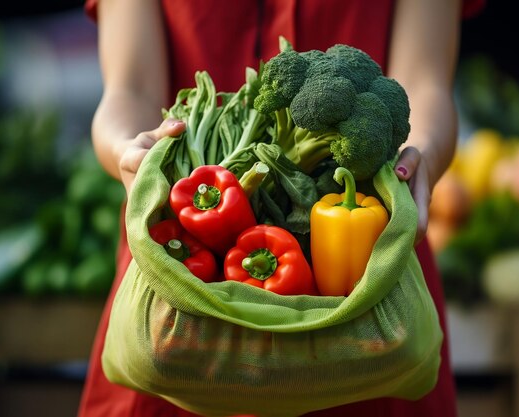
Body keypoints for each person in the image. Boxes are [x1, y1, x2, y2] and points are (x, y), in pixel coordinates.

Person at [78, 1, 484, 416]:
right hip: (178, 263)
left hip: (367, 265)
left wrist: (424, 159)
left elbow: (425, 84)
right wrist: (126, 148)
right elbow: (129, 90)